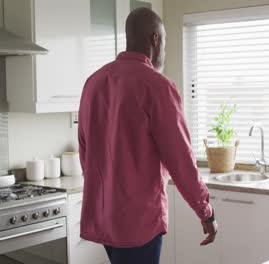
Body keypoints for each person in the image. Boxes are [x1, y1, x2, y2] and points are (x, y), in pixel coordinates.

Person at [78, 7, 218, 264]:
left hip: (105, 218)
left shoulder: (94, 82)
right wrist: (205, 212)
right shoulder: (158, 87)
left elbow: (85, 153)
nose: (164, 49)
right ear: (155, 39)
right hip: (138, 222)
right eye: (164, 40)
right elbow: (181, 161)